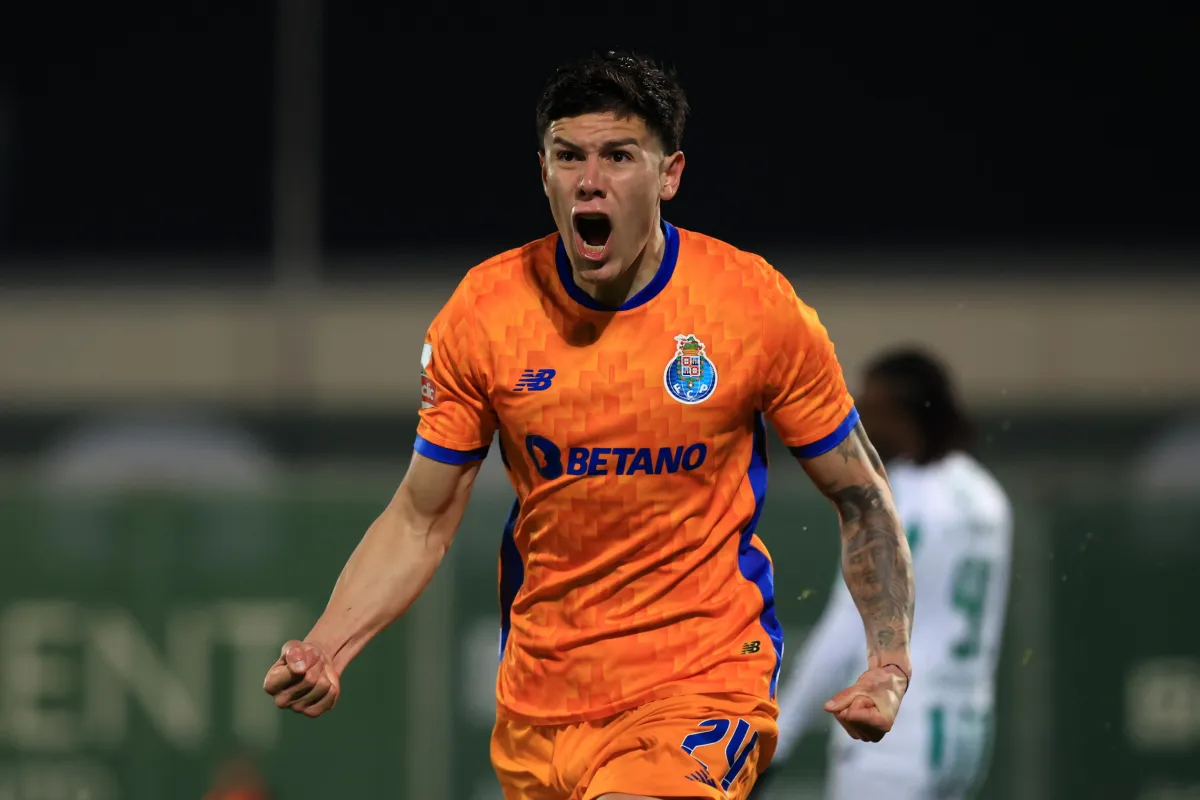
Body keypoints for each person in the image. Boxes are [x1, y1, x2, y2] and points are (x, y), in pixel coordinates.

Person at [262, 51, 915, 800]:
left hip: (700, 687)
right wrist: (328, 645)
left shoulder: (752, 308)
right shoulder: (487, 313)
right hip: (538, 709)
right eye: (568, 156)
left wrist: (888, 662)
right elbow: (421, 517)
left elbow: (862, 495)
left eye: (618, 156)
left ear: (669, 174)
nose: (589, 180)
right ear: (543, 171)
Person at [757, 348, 1012, 800]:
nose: (859, 422)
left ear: (903, 413)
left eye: (870, 407)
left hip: (897, 734)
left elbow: (844, 628)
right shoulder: (986, 495)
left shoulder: (897, 503)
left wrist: (782, 734)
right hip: (966, 728)